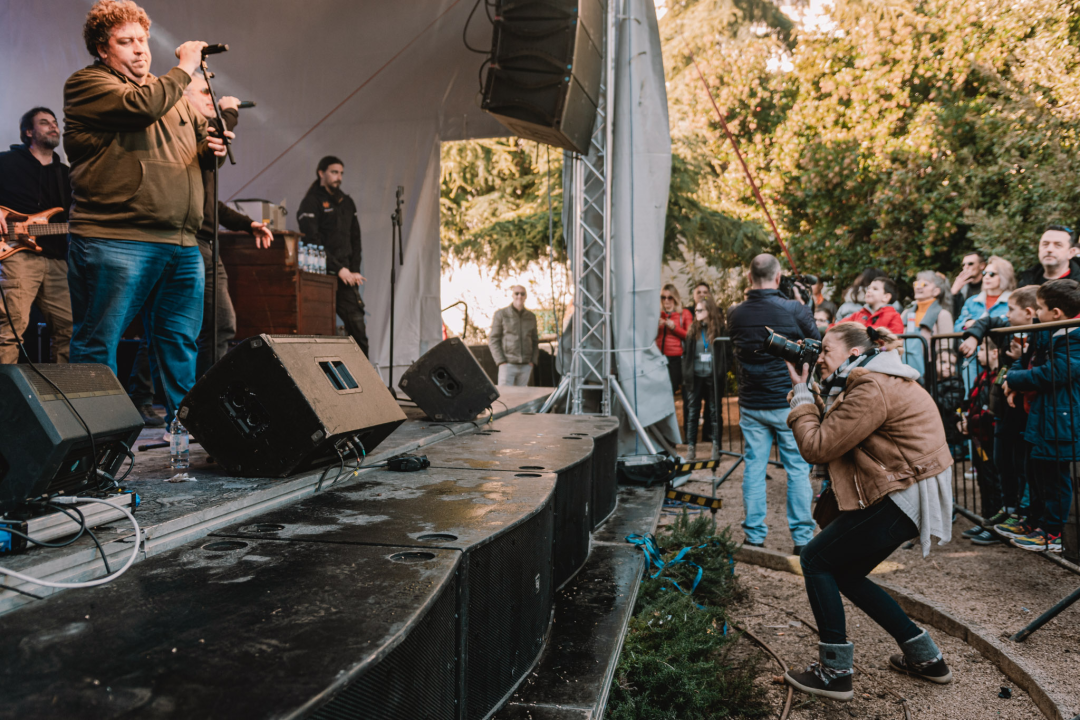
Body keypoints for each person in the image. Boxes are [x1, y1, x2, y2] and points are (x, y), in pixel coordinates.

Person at [63, 0, 229, 425]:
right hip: (115, 237)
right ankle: (93, 444)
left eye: (143, 40)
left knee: (179, 344)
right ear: (103, 49)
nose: (139, 49)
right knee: (99, 343)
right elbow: (140, 108)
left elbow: (199, 150)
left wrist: (214, 150)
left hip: (180, 243)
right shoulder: (88, 84)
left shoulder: (171, 93)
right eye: (126, 42)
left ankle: (188, 435)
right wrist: (187, 66)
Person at [782, 322, 953, 701]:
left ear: (854, 354)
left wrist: (800, 396)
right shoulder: (872, 377)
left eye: (826, 350)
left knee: (814, 559)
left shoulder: (871, 385)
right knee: (846, 572)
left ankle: (835, 672)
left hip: (905, 492)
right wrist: (809, 384)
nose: (819, 356)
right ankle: (927, 659)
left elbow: (819, 446)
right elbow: (841, 427)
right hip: (911, 488)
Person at [727, 254, 818, 553]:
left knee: (754, 466)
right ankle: (802, 539)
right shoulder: (793, 309)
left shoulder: (736, 314)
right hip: (786, 401)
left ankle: (754, 535)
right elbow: (815, 343)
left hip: (752, 402)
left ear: (749, 278)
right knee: (796, 468)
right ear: (778, 278)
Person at [182, 76, 272, 375]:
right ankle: (147, 396)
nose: (212, 97)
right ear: (183, 96)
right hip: (189, 244)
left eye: (214, 93)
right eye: (204, 91)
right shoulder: (187, 135)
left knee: (218, 324)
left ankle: (204, 396)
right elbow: (215, 145)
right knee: (180, 326)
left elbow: (212, 204)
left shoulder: (203, 139)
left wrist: (249, 224)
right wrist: (230, 113)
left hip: (208, 245)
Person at [1001, 279, 1080, 553]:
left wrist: (1014, 377)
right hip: (1046, 416)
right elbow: (1033, 358)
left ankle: (1053, 533)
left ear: (1056, 313)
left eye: (1041, 308)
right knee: (1040, 474)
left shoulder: (1074, 335)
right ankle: (1039, 524)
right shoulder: (1053, 331)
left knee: (1055, 479)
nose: (1036, 313)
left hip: (1060, 419)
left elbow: (1054, 373)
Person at [959, 286, 1039, 537]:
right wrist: (973, 336)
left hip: (1026, 410)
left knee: (1020, 464)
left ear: (1028, 313)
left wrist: (1022, 358)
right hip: (1004, 408)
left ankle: (1020, 515)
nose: (1007, 314)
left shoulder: (1040, 334)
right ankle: (1007, 508)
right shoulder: (1006, 325)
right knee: (1001, 459)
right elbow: (988, 320)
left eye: (1011, 310)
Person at [0, 108, 73, 364]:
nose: (54, 127)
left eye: (55, 123)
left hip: (56, 259)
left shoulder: (66, 175)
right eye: (45, 123)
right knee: (11, 330)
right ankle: (6, 401)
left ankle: (64, 396)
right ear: (28, 132)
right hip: (16, 255)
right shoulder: (7, 162)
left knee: (69, 329)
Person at [298, 156, 368, 355]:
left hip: (347, 276)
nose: (338, 177)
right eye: (334, 172)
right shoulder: (311, 202)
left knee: (358, 330)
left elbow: (356, 239)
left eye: (341, 173)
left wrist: (353, 270)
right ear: (321, 173)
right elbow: (312, 240)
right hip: (320, 276)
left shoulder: (347, 202)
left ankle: (366, 380)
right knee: (319, 330)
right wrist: (339, 269)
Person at [681, 296, 731, 460]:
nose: (697, 313)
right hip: (695, 376)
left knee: (715, 412)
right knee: (693, 412)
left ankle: (716, 447)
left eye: (700, 310)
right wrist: (686, 372)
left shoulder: (720, 331)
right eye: (696, 310)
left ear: (709, 311)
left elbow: (727, 355)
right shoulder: (692, 330)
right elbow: (687, 355)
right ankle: (691, 447)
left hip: (713, 376)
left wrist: (721, 371)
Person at [900, 271, 953, 382]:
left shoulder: (942, 315)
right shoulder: (906, 313)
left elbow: (945, 346)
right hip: (905, 366)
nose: (918, 287)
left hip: (930, 369)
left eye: (924, 284)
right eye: (916, 284)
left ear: (936, 291)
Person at [488, 285, 539, 386]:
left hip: (526, 365)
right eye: (517, 293)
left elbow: (535, 340)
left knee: (522, 398)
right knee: (505, 398)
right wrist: (501, 361)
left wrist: (532, 361)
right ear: (512, 295)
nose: (519, 296)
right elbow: (493, 339)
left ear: (526, 296)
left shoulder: (531, 316)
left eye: (522, 294)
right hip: (507, 364)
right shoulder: (501, 314)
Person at [954, 255, 1015, 331]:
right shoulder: (971, 301)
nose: (986, 277)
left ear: (1004, 276)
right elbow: (957, 328)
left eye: (991, 274)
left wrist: (978, 325)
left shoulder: (1013, 301)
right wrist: (966, 326)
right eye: (984, 273)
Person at [656, 283, 692, 401]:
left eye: (670, 297)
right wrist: (655, 325)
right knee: (659, 391)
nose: (666, 300)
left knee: (670, 389)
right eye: (663, 297)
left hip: (675, 358)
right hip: (658, 357)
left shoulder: (683, 314)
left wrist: (674, 328)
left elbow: (689, 336)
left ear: (675, 298)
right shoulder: (657, 314)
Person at [837, 276, 903, 333]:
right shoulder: (858, 314)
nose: (869, 291)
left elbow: (896, 340)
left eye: (875, 289)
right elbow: (837, 327)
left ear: (886, 297)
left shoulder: (894, 316)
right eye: (869, 288)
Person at [950, 252, 986, 318]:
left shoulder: (989, 284)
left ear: (982, 265)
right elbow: (951, 312)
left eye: (970, 264)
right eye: (963, 265)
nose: (966, 267)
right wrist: (953, 292)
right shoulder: (960, 288)